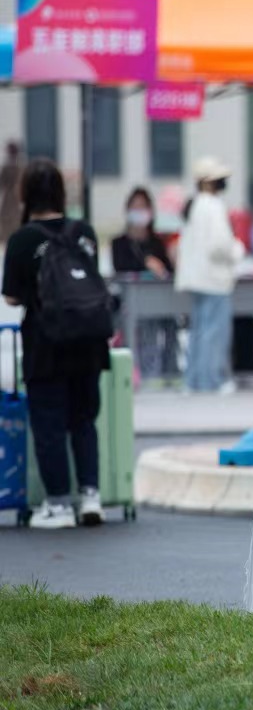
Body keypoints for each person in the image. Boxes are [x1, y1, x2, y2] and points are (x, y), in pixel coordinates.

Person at [1, 160, 111, 529]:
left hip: (46, 345)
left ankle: (59, 505)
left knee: (49, 425)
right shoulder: (84, 232)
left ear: (26, 195)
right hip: (90, 344)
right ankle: (91, 497)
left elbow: (12, 296)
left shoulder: (23, 240)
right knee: (84, 421)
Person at [175, 157, 243, 395]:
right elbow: (220, 245)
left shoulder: (195, 205)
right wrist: (237, 250)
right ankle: (211, 380)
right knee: (214, 333)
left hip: (198, 279)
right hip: (214, 280)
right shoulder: (213, 206)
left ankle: (194, 380)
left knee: (200, 331)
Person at [111, 187, 173, 277]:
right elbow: (121, 268)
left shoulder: (158, 244)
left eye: (142, 206)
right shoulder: (118, 244)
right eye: (135, 207)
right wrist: (146, 263)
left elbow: (168, 272)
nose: (138, 211)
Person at [0, 142, 24, 243]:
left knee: (8, 218)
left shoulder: (8, 166)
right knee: (13, 218)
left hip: (10, 196)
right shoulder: (20, 165)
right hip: (15, 197)